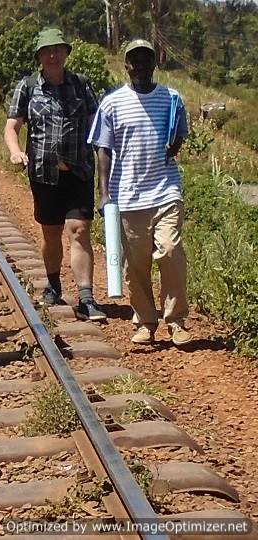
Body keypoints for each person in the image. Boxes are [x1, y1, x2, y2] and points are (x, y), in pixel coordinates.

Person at [87, 39, 192, 346]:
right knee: (137, 264)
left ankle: (176, 320)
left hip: (165, 190)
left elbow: (179, 136)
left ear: (154, 64)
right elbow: (103, 150)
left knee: (171, 251)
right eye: (135, 61)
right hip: (128, 196)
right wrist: (104, 194)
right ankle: (146, 321)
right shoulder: (112, 103)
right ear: (127, 66)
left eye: (147, 60)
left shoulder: (172, 99)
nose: (141, 66)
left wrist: (174, 145)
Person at [3, 28, 107, 321]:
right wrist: (15, 151)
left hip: (78, 171)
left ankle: (86, 297)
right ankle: (53, 284)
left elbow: (96, 125)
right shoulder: (28, 86)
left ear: (66, 53)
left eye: (58, 50)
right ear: (39, 56)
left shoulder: (82, 85)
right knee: (51, 232)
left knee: (80, 229)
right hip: (43, 173)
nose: (53, 55)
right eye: (47, 51)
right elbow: (12, 126)